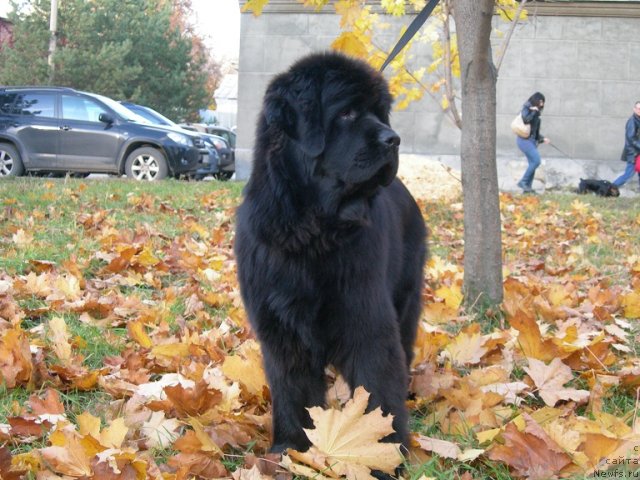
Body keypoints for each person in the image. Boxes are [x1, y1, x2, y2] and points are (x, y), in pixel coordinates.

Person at [516, 92, 550, 194]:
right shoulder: (526, 108)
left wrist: (543, 139)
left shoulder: (536, 113)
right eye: (540, 101)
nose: (542, 104)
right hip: (523, 140)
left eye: (543, 102)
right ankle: (523, 182)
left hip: (531, 141)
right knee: (536, 161)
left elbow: (535, 134)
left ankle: (527, 189)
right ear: (535, 100)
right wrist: (533, 112)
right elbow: (526, 120)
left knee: (532, 163)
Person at [612, 101, 640, 189]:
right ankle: (610, 189)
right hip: (633, 154)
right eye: (638, 108)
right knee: (628, 175)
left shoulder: (638, 120)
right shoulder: (632, 122)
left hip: (637, 152)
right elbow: (631, 139)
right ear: (634, 109)